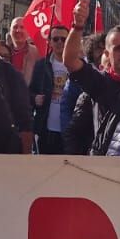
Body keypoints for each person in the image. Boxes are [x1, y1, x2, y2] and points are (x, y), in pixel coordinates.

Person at [61, 3, 120, 156]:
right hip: (105, 164)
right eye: (118, 48)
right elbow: (70, 60)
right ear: (107, 54)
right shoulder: (99, 82)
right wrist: (77, 26)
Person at [29, 26, 71, 154]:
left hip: (70, 129)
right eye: (56, 39)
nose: (60, 42)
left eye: (63, 39)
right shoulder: (41, 65)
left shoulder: (78, 65)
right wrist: (34, 98)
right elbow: (30, 92)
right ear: (49, 42)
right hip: (46, 128)